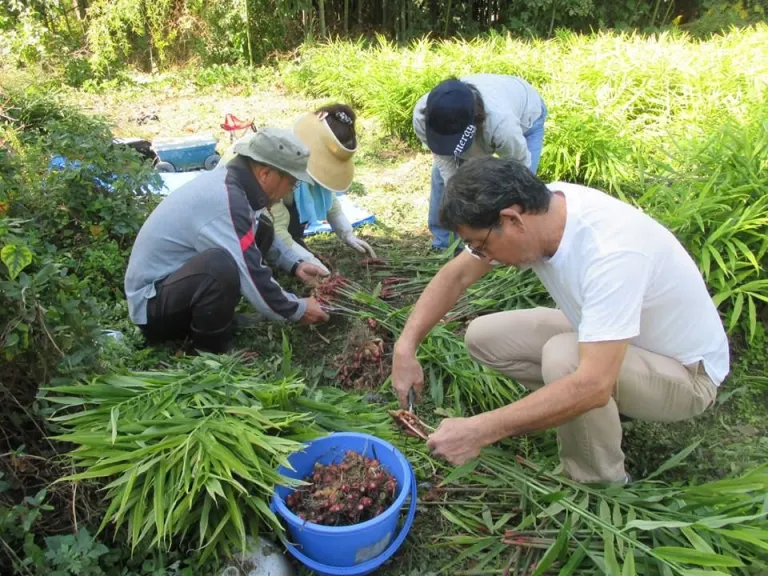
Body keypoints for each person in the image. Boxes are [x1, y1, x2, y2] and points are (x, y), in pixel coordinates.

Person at [391, 156, 729, 484]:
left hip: (685, 374)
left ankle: (599, 480)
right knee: (483, 336)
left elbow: (593, 382)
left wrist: (481, 430)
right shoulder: (541, 207)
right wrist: (405, 348)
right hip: (615, 339)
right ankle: (595, 415)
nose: (484, 257)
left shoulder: (611, 252)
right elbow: (455, 277)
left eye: (481, 245)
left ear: (513, 220)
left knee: (567, 361)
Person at [124, 127, 330, 354]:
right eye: (292, 182)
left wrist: (296, 265)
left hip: (175, 285)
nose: (291, 189)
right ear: (265, 174)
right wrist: (297, 309)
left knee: (263, 228)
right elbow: (250, 270)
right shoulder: (226, 200)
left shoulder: (236, 184)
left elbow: (253, 233)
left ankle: (214, 318)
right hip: (152, 307)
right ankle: (209, 351)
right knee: (219, 265)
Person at [412, 74, 548, 251]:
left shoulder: (501, 125)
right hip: (482, 120)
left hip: (526, 116)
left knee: (521, 189)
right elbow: (444, 160)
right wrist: (456, 191)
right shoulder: (424, 117)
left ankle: (510, 247)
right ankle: (444, 245)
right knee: (443, 180)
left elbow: (519, 167)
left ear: (475, 120)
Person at [269, 104, 376, 275]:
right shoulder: (279, 165)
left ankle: (295, 240)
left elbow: (326, 197)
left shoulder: (312, 174)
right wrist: (307, 262)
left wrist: (347, 233)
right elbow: (276, 229)